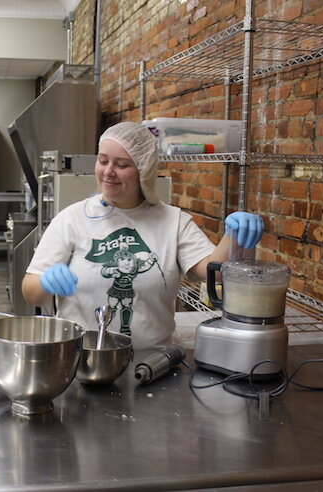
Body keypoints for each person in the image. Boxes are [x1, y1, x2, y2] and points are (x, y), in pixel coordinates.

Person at [21, 122, 264, 350]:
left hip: (151, 362)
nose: (108, 172)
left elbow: (214, 271)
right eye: (103, 161)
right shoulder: (71, 219)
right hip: (81, 357)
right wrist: (44, 283)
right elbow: (30, 291)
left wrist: (233, 236)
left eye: (122, 164)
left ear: (143, 170)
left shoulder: (172, 221)